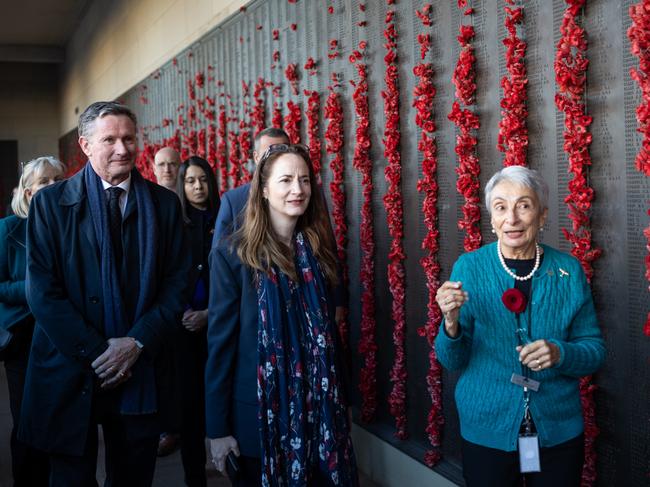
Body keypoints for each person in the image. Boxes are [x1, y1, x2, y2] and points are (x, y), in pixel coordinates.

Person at [19, 101, 190, 486]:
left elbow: (177, 284)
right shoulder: (50, 204)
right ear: (85, 144)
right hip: (71, 367)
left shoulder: (163, 204)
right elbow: (43, 292)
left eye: (129, 138)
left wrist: (136, 343)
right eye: (109, 139)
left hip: (140, 367)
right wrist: (101, 354)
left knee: (133, 477)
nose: (122, 148)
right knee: (70, 479)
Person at [434, 166, 606, 487]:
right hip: (487, 425)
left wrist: (561, 353)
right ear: (492, 218)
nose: (511, 218)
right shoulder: (469, 267)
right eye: (501, 207)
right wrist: (451, 321)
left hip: (557, 427)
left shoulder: (568, 271)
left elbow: (594, 351)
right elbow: (451, 360)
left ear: (542, 216)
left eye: (523, 205)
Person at [206, 144, 358, 486]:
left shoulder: (319, 253)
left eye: (304, 180)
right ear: (263, 189)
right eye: (286, 180)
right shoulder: (233, 256)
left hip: (321, 416)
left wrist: (342, 399)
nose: (297, 190)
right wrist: (217, 429)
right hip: (259, 419)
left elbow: (331, 338)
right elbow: (220, 345)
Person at [0, 156, 64, 486]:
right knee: (28, 420)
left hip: (60, 335)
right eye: (45, 182)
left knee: (58, 419)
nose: (54, 186)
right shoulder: (8, 229)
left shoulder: (69, 225)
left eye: (58, 180)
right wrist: (31, 288)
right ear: (28, 193)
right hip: (23, 338)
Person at [174, 156, 220, 486]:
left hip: (218, 324)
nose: (198, 186)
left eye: (203, 179)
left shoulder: (225, 216)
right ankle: (194, 476)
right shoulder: (173, 222)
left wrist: (209, 314)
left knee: (219, 396)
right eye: (190, 181)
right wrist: (186, 314)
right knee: (189, 408)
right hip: (182, 328)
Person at [213, 127, 289, 240]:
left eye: (282, 153)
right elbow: (218, 253)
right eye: (269, 154)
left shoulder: (304, 194)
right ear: (256, 157)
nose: (277, 160)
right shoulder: (233, 201)